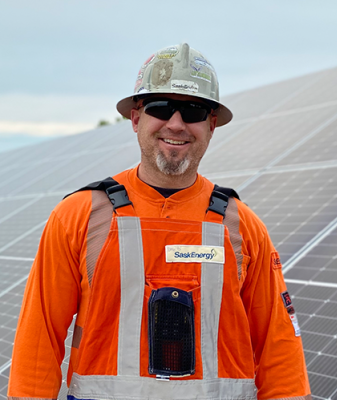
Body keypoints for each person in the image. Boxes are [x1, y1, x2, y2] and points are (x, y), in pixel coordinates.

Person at [8, 43, 311, 400]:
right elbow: (38, 338)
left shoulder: (243, 226)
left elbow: (280, 350)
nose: (177, 124)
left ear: (211, 125)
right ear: (136, 118)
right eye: (161, 108)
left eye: (194, 111)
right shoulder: (78, 216)